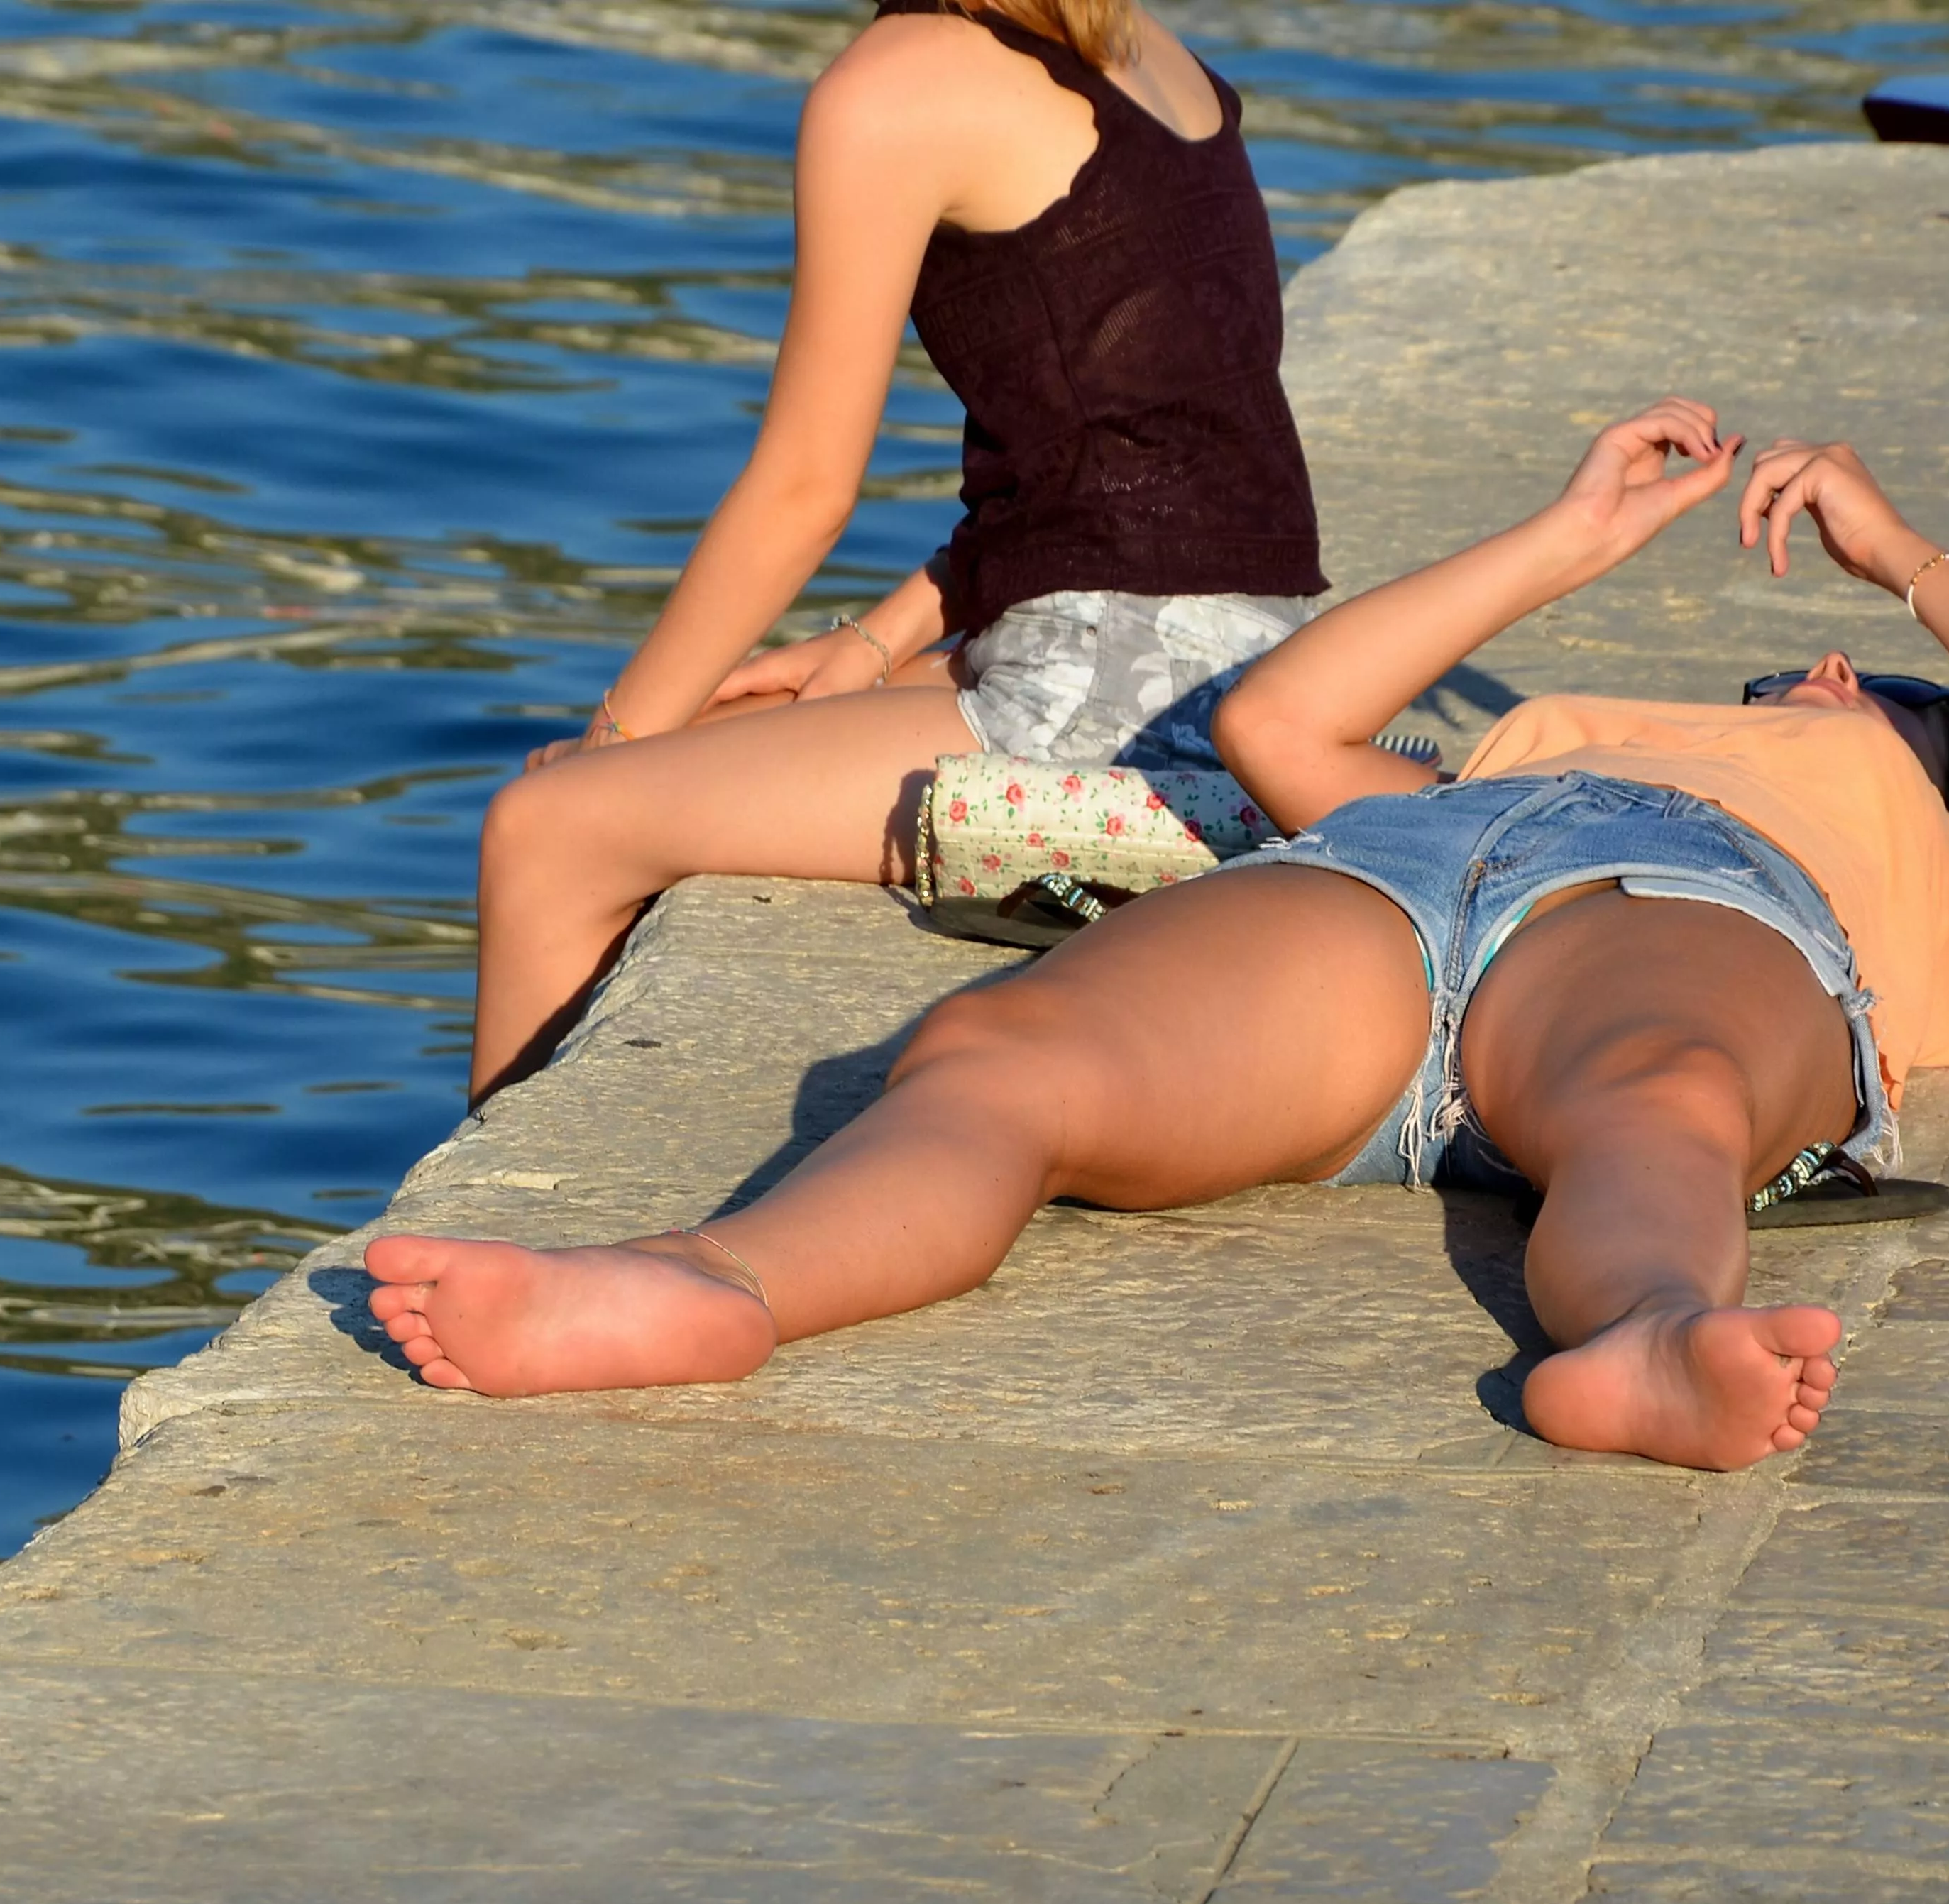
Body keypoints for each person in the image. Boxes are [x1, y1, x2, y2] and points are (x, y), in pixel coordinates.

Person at [366, 401, 1949, 1472]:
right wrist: (1562, 540)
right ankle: (716, 1280)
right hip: (1418, 856)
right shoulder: (1539, 733)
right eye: (1791, 677)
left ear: (1942, 786)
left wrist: (1903, 557)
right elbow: (1278, 725)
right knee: (1008, 1054)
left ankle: (1641, 1335)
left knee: (1662, 1091)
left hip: (1693, 917)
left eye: (1886, 703)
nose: (1828, 678)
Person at [470, 0, 1328, 1101]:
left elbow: (802, 492)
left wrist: (614, 734)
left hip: (1107, 705)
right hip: (1230, 662)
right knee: (719, 731)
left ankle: (490, 1231)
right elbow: (1144, 454)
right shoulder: (1136, 46)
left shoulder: (895, 84)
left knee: (548, 830)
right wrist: (875, 642)